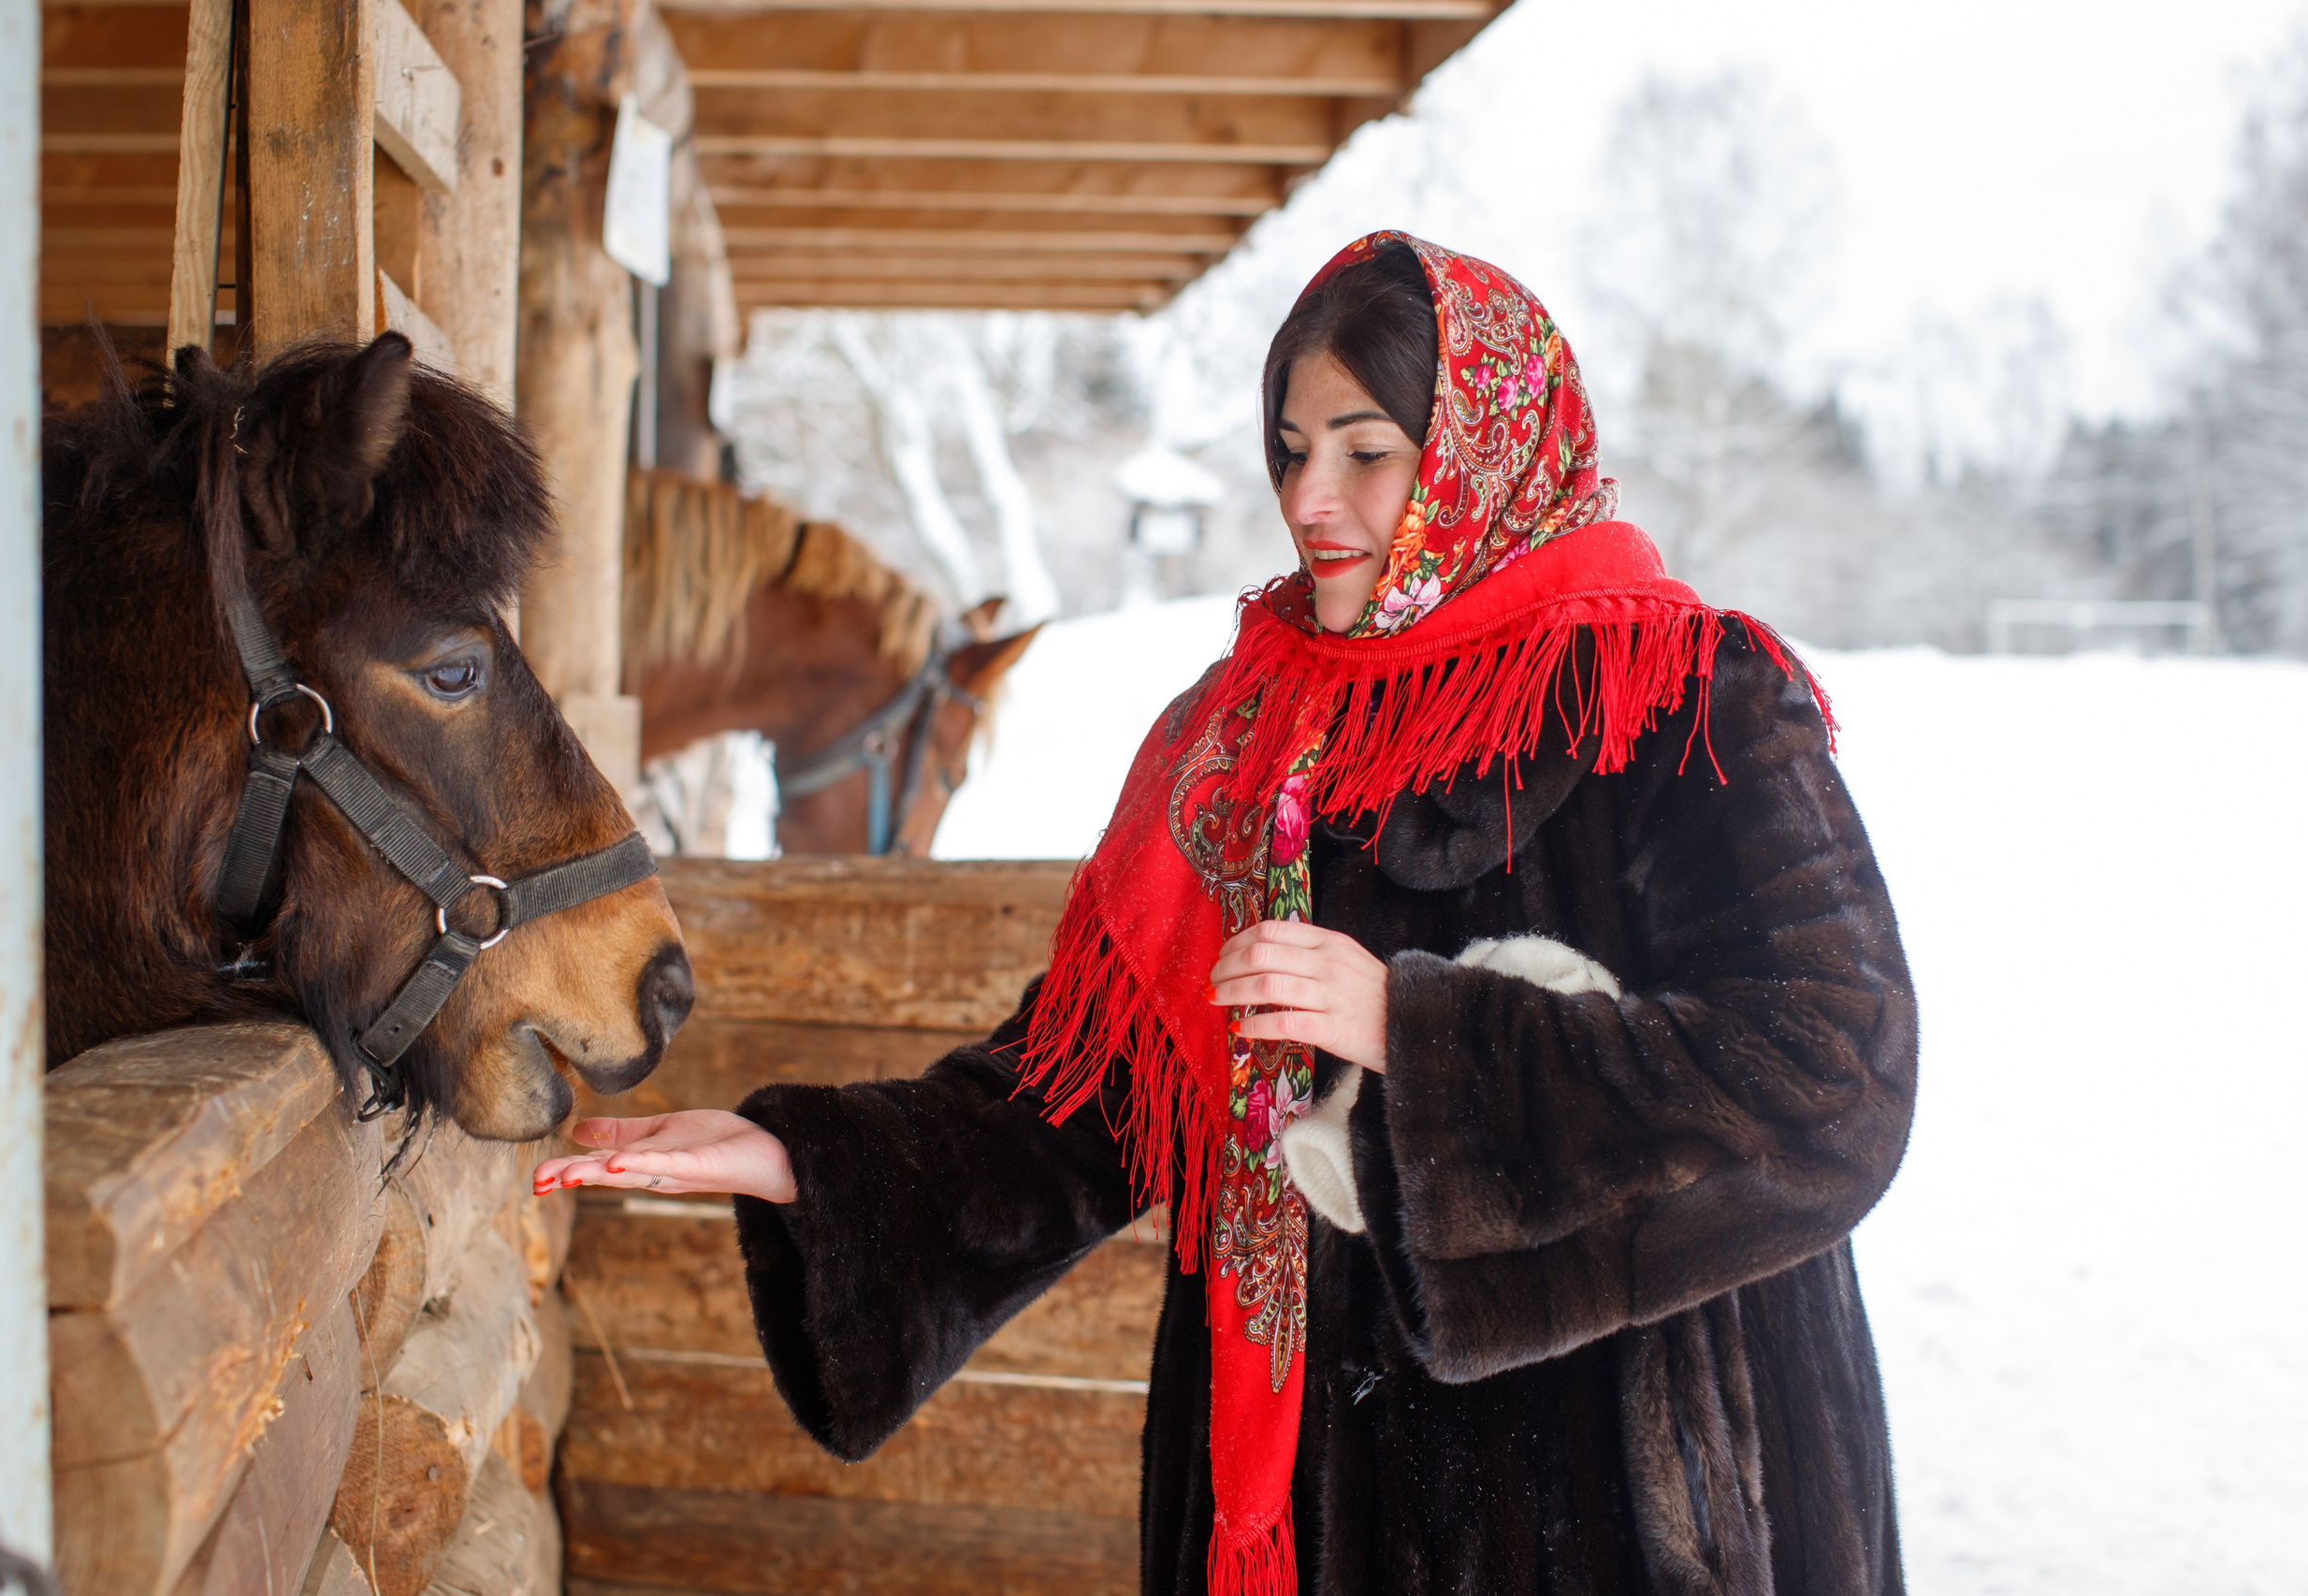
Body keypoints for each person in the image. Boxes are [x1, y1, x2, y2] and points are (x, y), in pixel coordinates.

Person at [535, 233, 1916, 1596]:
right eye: (1291, 448)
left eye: (1367, 452)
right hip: (1304, 1507)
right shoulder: (1248, 739)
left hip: (1618, 1499)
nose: (1312, 497)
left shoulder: (1677, 696)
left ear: (1481, 450)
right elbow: (1085, 1099)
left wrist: (1416, 1032)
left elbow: (1836, 1073)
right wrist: (815, 1162)